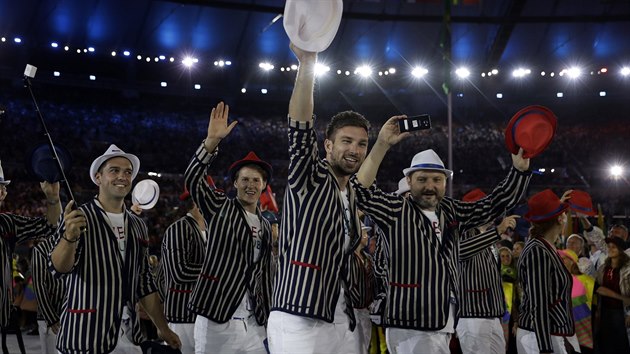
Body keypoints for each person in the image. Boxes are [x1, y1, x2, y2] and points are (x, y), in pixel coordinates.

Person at [351, 114, 531, 353]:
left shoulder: (451, 210)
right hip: (410, 323)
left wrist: (518, 172)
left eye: (437, 179)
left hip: (443, 321)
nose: (430, 186)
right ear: (409, 180)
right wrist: (382, 144)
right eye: (422, 179)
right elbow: (360, 192)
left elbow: (493, 204)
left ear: (445, 182)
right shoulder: (396, 209)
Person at [267, 44, 369, 353]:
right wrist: (307, 65)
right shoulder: (308, 176)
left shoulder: (350, 193)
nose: (354, 150)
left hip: (341, 313)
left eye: (362, 144)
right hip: (299, 313)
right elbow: (299, 127)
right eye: (346, 141)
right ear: (327, 145)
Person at [50, 144, 181, 353]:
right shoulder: (78, 217)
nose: (122, 176)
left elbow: (144, 282)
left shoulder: (138, 224)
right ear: (98, 177)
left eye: (128, 172)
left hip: (129, 338)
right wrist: (69, 238)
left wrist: (162, 327)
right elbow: (58, 268)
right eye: (114, 170)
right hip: (85, 338)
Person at [185, 102, 273, 354]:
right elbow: (193, 180)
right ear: (235, 183)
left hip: (254, 323)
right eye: (244, 179)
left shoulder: (266, 225)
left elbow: (264, 274)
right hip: (217, 318)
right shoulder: (220, 207)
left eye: (256, 180)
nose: (250, 185)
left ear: (264, 185)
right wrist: (211, 142)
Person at [0, 160, 61, 342]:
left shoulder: (7, 223)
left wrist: (53, 199)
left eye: (3, 187)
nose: (4, 192)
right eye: (0, 187)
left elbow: (49, 226)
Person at [517, 189, 575, 354]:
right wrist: (545, 348)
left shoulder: (543, 246)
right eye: (563, 214)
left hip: (543, 333)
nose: (565, 218)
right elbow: (539, 303)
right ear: (559, 219)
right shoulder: (538, 250)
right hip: (538, 337)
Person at [160, 187, 207, 354]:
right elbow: (179, 272)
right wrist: (216, 272)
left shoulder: (208, 230)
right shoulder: (179, 228)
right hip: (182, 314)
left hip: (202, 314)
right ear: (196, 203)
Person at [594, 237, 630, 354]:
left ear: (620, 250)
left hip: (622, 311)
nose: (610, 249)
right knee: (605, 342)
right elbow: (597, 288)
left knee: (621, 343)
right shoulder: (603, 268)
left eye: (613, 247)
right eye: (609, 246)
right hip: (605, 310)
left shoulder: (628, 268)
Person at [31, 238, 66, 354]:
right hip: (51, 316)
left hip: (70, 313)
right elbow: (39, 285)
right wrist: (51, 318)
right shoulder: (42, 249)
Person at [557, 249, 595, 353]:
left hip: (584, 325)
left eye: (562, 258)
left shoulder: (586, 280)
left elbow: (596, 302)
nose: (559, 260)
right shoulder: (556, 280)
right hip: (563, 326)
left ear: (572, 261)